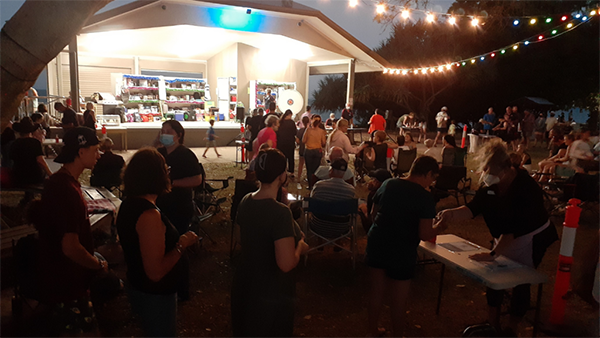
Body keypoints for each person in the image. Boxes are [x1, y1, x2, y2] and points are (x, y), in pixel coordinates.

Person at [437, 140, 558, 337]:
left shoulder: (525, 187)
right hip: (505, 237)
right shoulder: (490, 188)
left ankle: (512, 327)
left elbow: (515, 229)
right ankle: (492, 322)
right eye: (485, 170)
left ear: (507, 168)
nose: (487, 175)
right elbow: (473, 208)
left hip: (531, 236)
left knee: (521, 279)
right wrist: (450, 214)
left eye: (490, 170)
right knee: (494, 276)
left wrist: (493, 254)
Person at [117, 148, 198, 338]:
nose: (169, 172)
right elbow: (155, 272)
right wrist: (181, 244)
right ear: (156, 176)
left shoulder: (129, 204)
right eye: (165, 169)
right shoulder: (148, 215)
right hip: (155, 296)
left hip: (140, 288)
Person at [231, 149, 309, 338]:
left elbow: (239, 239)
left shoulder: (245, 201)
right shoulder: (280, 213)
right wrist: (300, 247)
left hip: (245, 286)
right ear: (282, 176)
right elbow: (285, 263)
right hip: (271, 293)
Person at [366, 156, 446, 338]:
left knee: (376, 291)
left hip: (378, 240)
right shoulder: (424, 197)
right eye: (432, 178)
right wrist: (440, 227)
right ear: (427, 174)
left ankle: (371, 331)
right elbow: (425, 234)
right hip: (402, 248)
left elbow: (374, 212)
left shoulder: (389, 183)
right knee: (399, 298)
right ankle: (398, 335)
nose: (432, 183)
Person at [36, 127, 105, 336]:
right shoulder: (66, 190)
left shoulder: (61, 182)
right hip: (67, 284)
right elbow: (70, 246)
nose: (99, 155)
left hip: (62, 280)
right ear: (81, 152)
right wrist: (97, 265)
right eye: (95, 150)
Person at [155, 120, 202, 301]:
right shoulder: (159, 154)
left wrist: (173, 183)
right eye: (162, 131)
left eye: (168, 131)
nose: (164, 134)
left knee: (178, 246)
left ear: (179, 135)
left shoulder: (186, 155)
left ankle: (182, 290)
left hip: (179, 207)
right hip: (160, 207)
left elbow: (197, 179)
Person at [309, 158, 356, 239]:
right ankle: (339, 242)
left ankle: (320, 242)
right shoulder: (350, 190)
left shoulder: (319, 185)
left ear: (331, 170)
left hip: (318, 225)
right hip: (341, 227)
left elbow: (312, 201)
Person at [10, 117, 52, 187]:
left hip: (18, 176)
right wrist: (50, 174)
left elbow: (11, 159)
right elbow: (40, 161)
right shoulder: (35, 143)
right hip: (34, 176)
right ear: (31, 131)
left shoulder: (15, 143)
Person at [358, 168, 392, 233]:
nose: (372, 181)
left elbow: (371, 216)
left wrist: (363, 208)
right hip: (389, 225)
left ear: (377, 182)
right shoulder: (392, 193)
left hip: (376, 226)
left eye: (374, 179)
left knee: (360, 204)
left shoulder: (374, 194)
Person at [303, 115, 326, 189]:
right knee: (316, 170)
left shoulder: (308, 130)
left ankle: (310, 185)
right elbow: (323, 143)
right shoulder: (322, 132)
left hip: (309, 150)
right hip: (317, 151)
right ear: (319, 123)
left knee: (309, 169)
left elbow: (303, 140)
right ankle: (316, 185)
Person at [277, 110, 297, 177]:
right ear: (290, 115)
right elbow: (295, 132)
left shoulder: (281, 122)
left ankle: (282, 171)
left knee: (282, 157)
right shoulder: (291, 122)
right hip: (290, 142)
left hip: (281, 142)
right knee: (291, 157)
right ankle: (291, 172)